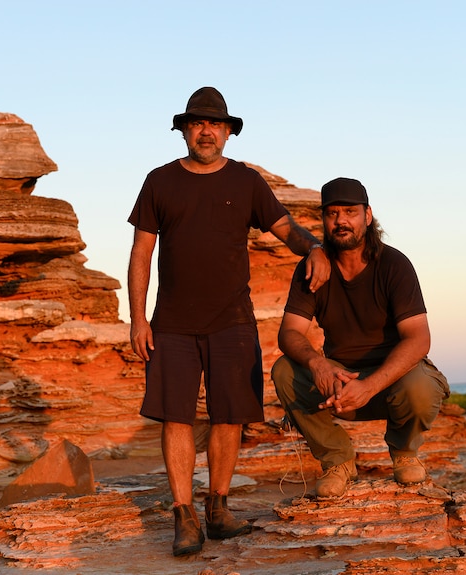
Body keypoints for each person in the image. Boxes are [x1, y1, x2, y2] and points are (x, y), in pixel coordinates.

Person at [127, 86, 330, 556]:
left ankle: (218, 510)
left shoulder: (246, 182)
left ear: (227, 132)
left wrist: (315, 247)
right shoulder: (159, 181)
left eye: (214, 124)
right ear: (183, 130)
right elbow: (141, 252)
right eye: (197, 123)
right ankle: (184, 516)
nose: (205, 131)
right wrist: (139, 319)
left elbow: (285, 229)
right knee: (174, 416)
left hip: (232, 321)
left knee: (230, 414)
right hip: (172, 323)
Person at [271, 176, 450, 499]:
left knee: (421, 385)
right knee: (284, 370)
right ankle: (337, 461)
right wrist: (318, 364)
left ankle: (405, 453)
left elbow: (418, 339)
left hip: (391, 382)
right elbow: (290, 333)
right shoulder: (312, 268)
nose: (341, 221)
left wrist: (368, 386)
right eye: (332, 213)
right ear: (323, 220)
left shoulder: (394, 265)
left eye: (350, 212)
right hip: (338, 385)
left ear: (367, 216)